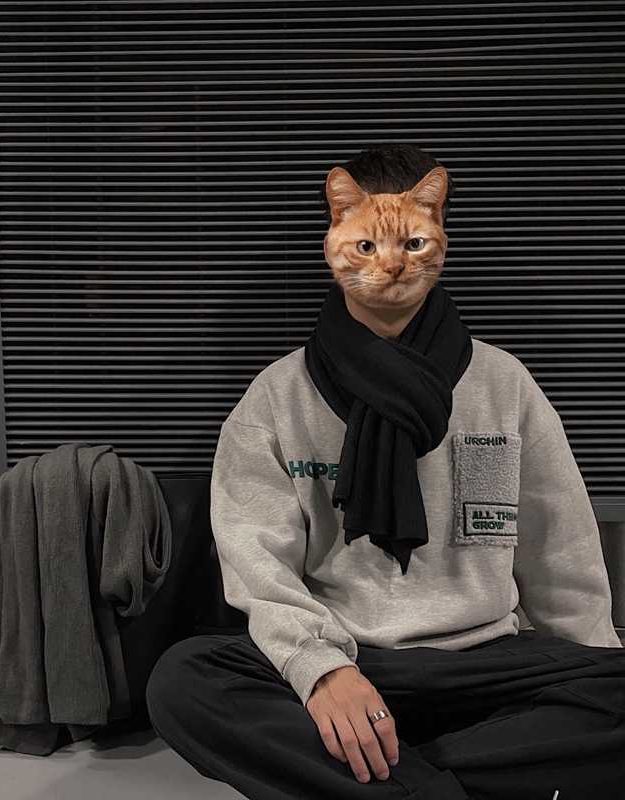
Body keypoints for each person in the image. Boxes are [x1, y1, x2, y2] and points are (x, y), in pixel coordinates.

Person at [146, 144, 625, 800]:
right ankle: (442, 776)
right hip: (349, 659)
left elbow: (560, 552)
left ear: (438, 235)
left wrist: (592, 673)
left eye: (413, 242)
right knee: (183, 682)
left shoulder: (502, 383)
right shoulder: (278, 396)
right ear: (336, 237)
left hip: (486, 662)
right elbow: (259, 569)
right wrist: (320, 670)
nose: (393, 265)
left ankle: (380, 778)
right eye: (369, 244)